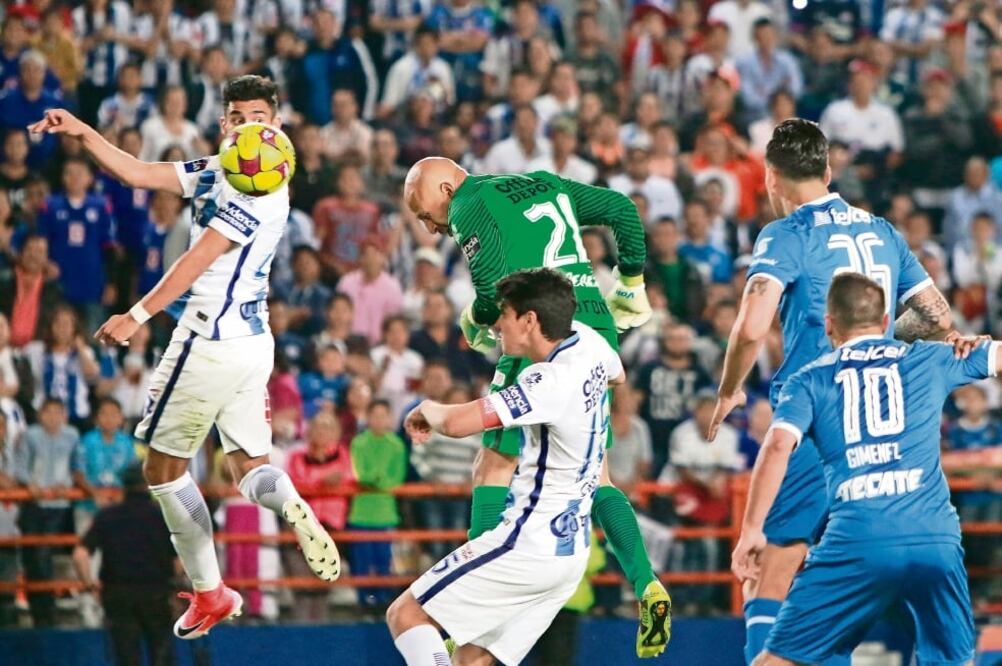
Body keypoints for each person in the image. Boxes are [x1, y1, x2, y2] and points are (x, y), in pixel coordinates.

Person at [28, 75, 340, 639]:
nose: (248, 125)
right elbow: (140, 173)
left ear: (277, 124)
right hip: (252, 344)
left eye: (258, 117)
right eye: (238, 116)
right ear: (224, 123)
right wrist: (82, 132)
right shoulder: (226, 166)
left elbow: (198, 259)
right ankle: (292, 503)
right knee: (248, 468)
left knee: (161, 468)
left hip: (207, 340)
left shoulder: (258, 186)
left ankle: (209, 591)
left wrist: (137, 315)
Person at [708, 118, 954, 665]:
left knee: (773, 563)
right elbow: (937, 316)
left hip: (813, 418)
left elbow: (751, 328)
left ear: (771, 176)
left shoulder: (786, 234)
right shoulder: (883, 231)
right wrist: (885, 337)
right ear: (827, 169)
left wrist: (729, 390)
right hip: (879, 429)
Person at [403, 156, 671, 658]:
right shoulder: (539, 183)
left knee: (493, 465)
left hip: (536, 336)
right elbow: (621, 210)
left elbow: (487, 293)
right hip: (593, 334)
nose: (429, 225)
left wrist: (477, 318)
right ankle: (646, 583)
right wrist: (630, 280)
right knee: (599, 477)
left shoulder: (468, 204)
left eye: (423, 211)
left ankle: (479, 596)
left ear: (445, 185)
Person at [387, 268, 647, 665]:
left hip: (528, 544)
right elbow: (618, 373)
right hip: (569, 554)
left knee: (405, 614)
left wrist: (427, 408)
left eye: (504, 314)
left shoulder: (548, 381)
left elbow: (458, 424)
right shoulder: (589, 341)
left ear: (529, 320)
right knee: (472, 659)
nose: (497, 324)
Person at [732, 273, 980, 665]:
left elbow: (779, 444)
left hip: (858, 539)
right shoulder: (929, 357)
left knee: (775, 661)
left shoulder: (809, 379)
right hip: (935, 539)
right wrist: (974, 343)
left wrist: (751, 530)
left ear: (829, 324)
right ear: (885, 323)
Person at [73, 463, 176, 666]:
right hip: (156, 593)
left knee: (126, 655)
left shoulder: (107, 516)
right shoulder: (163, 516)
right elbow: (179, 560)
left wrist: (90, 584)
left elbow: (80, 554)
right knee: (161, 654)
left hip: (117, 593)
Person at [348, 399, 406, 606]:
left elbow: (397, 478)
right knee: (362, 561)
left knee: (384, 560)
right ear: (368, 417)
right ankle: (363, 601)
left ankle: (382, 601)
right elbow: (359, 474)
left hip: (385, 513)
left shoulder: (397, 445)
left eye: (383, 415)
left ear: (390, 418)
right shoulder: (359, 442)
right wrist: (379, 478)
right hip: (361, 512)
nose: (379, 420)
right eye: (375, 415)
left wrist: (376, 480)